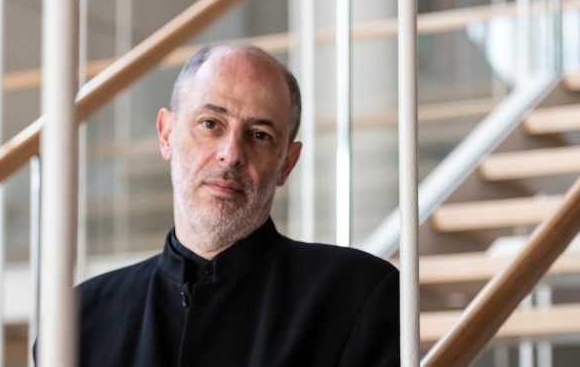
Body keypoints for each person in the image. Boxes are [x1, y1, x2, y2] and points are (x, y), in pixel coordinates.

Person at [76, 44, 401, 366]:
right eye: (210, 124)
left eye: (260, 135)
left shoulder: (357, 295)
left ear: (287, 163)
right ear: (167, 135)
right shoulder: (81, 316)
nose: (231, 155)